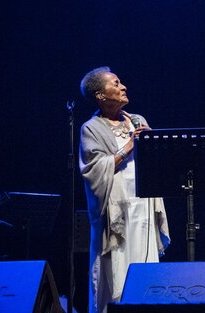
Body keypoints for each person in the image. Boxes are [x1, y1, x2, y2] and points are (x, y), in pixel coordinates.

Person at [79, 66, 170, 313]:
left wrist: (154, 144)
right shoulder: (91, 129)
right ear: (100, 95)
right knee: (118, 270)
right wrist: (130, 145)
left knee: (145, 268)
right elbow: (94, 171)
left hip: (144, 206)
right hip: (116, 214)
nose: (123, 87)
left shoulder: (137, 120)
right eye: (116, 83)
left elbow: (158, 163)